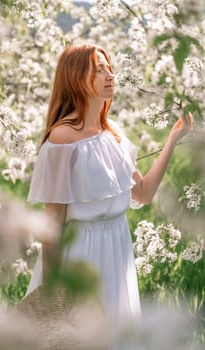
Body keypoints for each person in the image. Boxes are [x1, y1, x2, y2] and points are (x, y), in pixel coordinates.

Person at [26, 44, 193, 335]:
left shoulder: (112, 132)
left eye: (109, 68)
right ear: (76, 77)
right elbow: (52, 226)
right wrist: (52, 297)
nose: (109, 75)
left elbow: (142, 193)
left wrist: (172, 140)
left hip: (118, 248)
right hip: (81, 255)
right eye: (98, 69)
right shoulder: (61, 139)